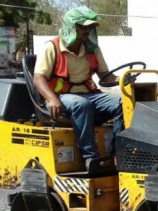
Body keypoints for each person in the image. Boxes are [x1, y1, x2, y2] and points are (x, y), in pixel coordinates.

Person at [33, 6, 123, 169]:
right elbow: (38, 78)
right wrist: (52, 99)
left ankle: (117, 154)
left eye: (89, 27)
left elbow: (105, 76)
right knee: (81, 104)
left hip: (89, 94)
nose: (87, 30)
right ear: (70, 26)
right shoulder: (52, 47)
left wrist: (123, 79)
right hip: (60, 97)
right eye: (82, 27)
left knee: (122, 103)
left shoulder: (92, 49)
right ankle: (90, 157)